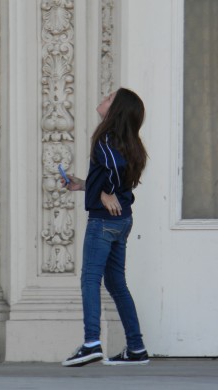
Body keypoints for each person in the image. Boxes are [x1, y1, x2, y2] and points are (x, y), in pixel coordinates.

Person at [61, 88, 149, 367]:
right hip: (121, 221)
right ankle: (136, 348)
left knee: (90, 279)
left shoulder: (104, 137)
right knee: (116, 283)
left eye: (109, 97)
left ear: (116, 109)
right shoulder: (128, 142)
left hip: (103, 222)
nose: (103, 97)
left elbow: (113, 169)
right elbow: (116, 174)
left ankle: (91, 343)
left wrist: (105, 191)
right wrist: (87, 186)